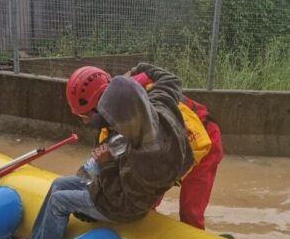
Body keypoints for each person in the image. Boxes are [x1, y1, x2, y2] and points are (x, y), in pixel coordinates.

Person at [9, 63, 194, 239]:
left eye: (113, 122)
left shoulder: (146, 162)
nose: (109, 125)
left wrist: (105, 165)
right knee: (58, 185)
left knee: (59, 201)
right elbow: (171, 80)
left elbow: (124, 201)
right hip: (120, 181)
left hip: (124, 207)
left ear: (124, 121)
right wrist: (135, 69)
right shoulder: (157, 105)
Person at [70, 65, 223, 230]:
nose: (85, 122)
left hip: (202, 139)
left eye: (85, 116)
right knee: (148, 199)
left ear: (100, 107)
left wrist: (136, 69)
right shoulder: (115, 122)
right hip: (167, 146)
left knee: (190, 211)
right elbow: (105, 171)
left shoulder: (138, 110)